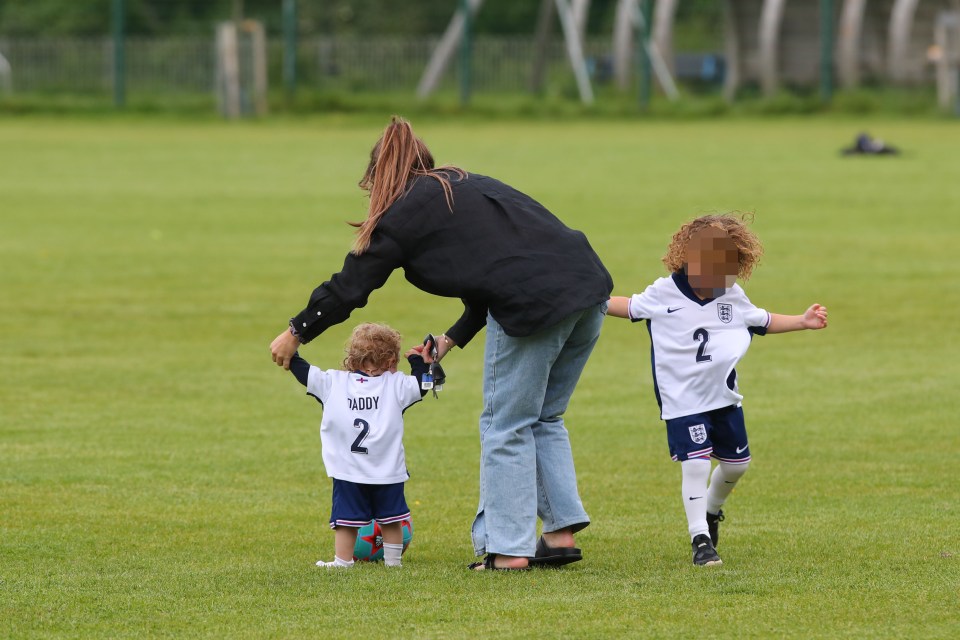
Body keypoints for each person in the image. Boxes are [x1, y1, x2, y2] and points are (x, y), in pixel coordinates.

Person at [271, 116, 613, 571]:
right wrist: (449, 340)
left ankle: (508, 550)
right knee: (543, 416)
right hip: (589, 287)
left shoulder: (402, 214)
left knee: (505, 425)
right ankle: (559, 534)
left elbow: (352, 287)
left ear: (378, 178)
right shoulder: (463, 185)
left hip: (536, 305)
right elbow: (494, 274)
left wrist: (296, 331)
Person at [606, 214, 827, 566]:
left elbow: (763, 321)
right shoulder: (664, 292)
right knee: (694, 464)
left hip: (724, 399)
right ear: (687, 257)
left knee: (737, 466)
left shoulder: (732, 296)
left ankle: (710, 512)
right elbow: (627, 305)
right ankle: (701, 540)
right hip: (682, 401)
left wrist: (802, 321)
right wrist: (590, 298)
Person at [288, 322, 433, 569]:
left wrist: (290, 350)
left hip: (348, 469)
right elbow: (424, 385)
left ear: (352, 358)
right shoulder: (396, 384)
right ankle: (393, 562)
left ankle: (342, 561)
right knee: (391, 518)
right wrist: (419, 361)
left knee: (346, 520)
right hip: (387, 469)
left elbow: (303, 371)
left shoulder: (333, 382)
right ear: (390, 360)